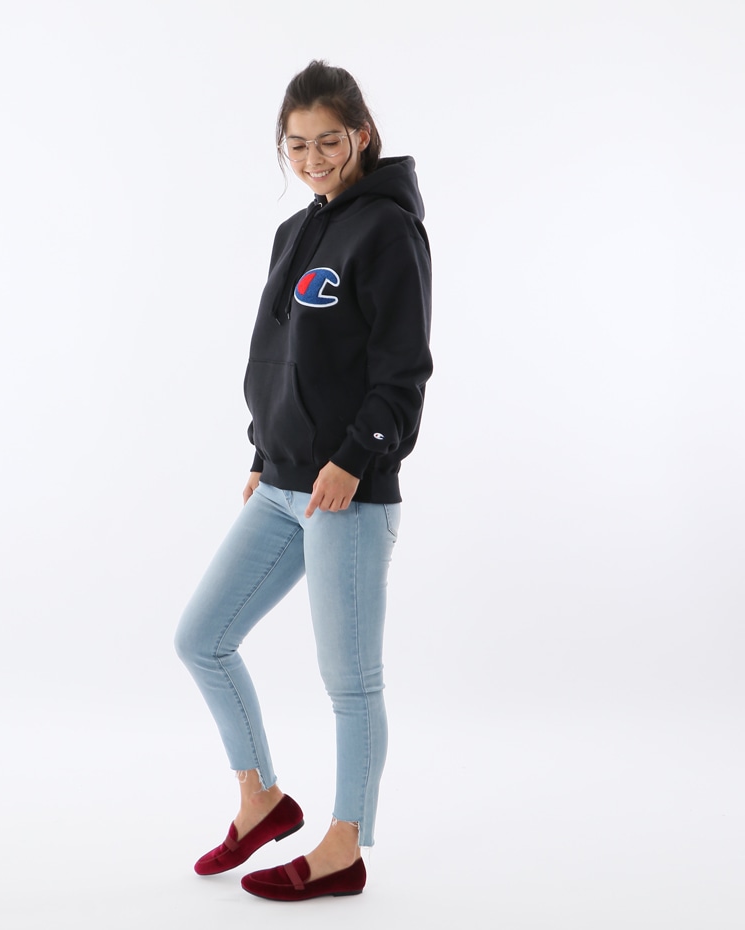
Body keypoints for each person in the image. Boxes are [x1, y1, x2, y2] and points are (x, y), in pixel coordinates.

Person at [174, 59, 432, 902]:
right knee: (202, 639)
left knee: (350, 683)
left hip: (345, 491)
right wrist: (263, 450)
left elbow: (403, 370)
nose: (314, 158)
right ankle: (262, 799)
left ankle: (344, 847)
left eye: (329, 141)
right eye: (297, 144)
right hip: (283, 483)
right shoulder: (296, 230)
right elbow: (277, 356)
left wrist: (355, 459)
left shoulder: (388, 230)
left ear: (362, 135)